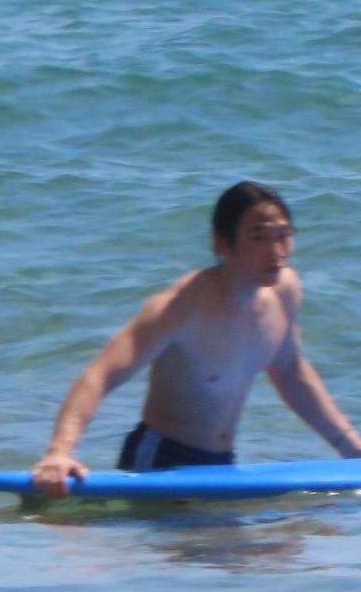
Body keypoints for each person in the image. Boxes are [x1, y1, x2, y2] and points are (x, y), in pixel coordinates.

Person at [30, 181, 361, 496]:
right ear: (222, 243)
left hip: (221, 466)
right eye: (259, 238)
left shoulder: (284, 293)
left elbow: (291, 373)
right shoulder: (181, 307)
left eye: (284, 236)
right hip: (161, 463)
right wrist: (60, 451)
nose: (276, 251)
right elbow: (100, 375)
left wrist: (351, 448)